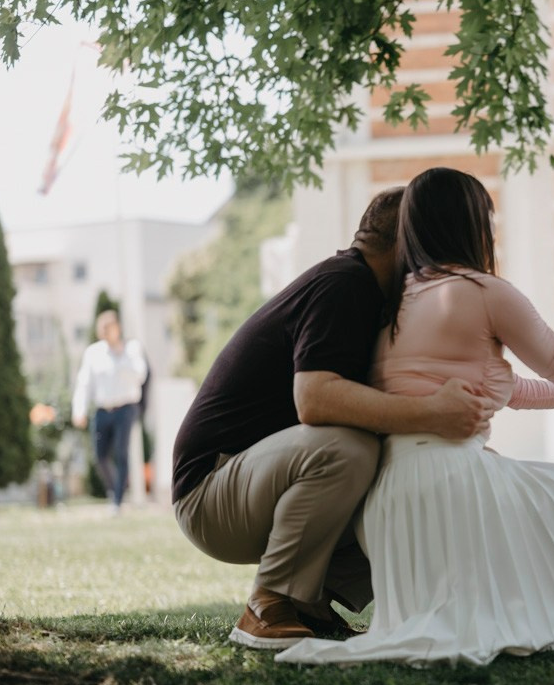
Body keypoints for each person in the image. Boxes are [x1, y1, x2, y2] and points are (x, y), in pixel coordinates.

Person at [277, 167, 554, 666]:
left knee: (550, 505)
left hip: (391, 497)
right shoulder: (484, 291)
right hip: (449, 482)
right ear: (472, 224)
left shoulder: (398, 303)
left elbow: (512, 390)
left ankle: (499, 611)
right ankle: (525, 615)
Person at [172, 187, 493, 650]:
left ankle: (313, 605)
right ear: (406, 245)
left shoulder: (369, 295)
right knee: (348, 447)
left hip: (255, 481)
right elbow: (316, 401)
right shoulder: (344, 284)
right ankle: (269, 603)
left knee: (417, 472)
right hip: (211, 490)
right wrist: (432, 412)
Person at [72, 309, 148, 515]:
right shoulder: (93, 353)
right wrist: (79, 409)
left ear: (117, 329)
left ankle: (117, 501)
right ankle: (116, 488)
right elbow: (84, 384)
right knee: (100, 456)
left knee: (121, 454)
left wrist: (121, 355)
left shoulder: (131, 349)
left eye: (109, 328)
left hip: (126, 408)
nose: (106, 332)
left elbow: (141, 375)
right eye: (102, 329)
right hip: (102, 410)